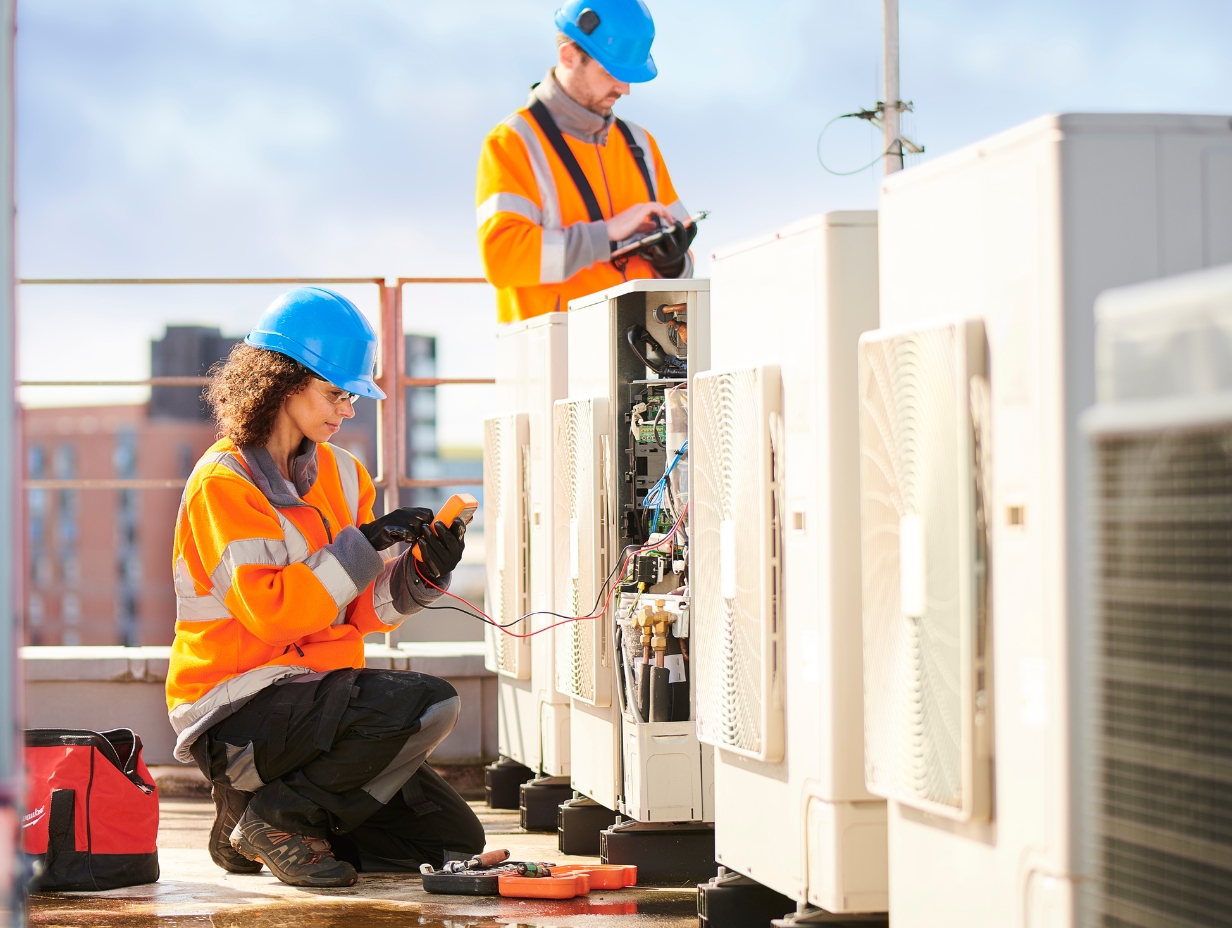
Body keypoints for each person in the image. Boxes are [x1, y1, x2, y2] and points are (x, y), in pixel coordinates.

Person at [164, 287, 486, 887]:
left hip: (317, 700)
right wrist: (362, 544)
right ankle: (277, 817)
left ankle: (251, 818)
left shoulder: (344, 472)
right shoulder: (224, 482)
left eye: (352, 395)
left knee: (450, 841)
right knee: (429, 702)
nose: (348, 409)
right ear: (283, 382)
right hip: (236, 706)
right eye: (336, 392)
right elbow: (274, 616)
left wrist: (424, 573)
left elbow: (362, 612)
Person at [476, 0, 696, 323]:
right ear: (568, 56)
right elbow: (502, 260)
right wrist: (606, 234)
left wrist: (674, 263)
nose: (625, 88)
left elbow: (687, 263)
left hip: (642, 358)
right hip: (555, 361)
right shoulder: (512, 143)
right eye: (611, 71)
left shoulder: (642, 144)